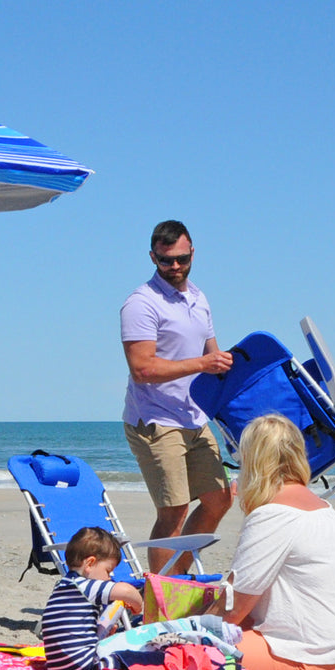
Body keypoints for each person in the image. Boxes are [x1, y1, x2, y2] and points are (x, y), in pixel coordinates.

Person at [120, 219, 234, 572]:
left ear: (192, 253)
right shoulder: (141, 303)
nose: (174, 267)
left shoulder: (199, 298)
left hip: (194, 417)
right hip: (155, 420)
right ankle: (161, 602)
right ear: (152, 257)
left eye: (182, 259)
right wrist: (202, 362)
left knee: (220, 499)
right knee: (173, 511)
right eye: (166, 260)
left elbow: (215, 361)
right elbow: (142, 368)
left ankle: (175, 578)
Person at [223, 413, 335, 670]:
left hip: (304, 656)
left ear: (254, 462)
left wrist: (190, 626)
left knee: (179, 652)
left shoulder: (273, 515)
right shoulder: (325, 510)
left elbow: (234, 610)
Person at [39, 527, 145, 670]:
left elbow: (74, 631)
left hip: (57, 665)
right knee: (133, 657)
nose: (109, 578)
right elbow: (127, 591)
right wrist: (138, 606)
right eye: (108, 571)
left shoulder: (62, 586)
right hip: (85, 665)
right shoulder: (87, 586)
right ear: (90, 564)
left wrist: (101, 633)